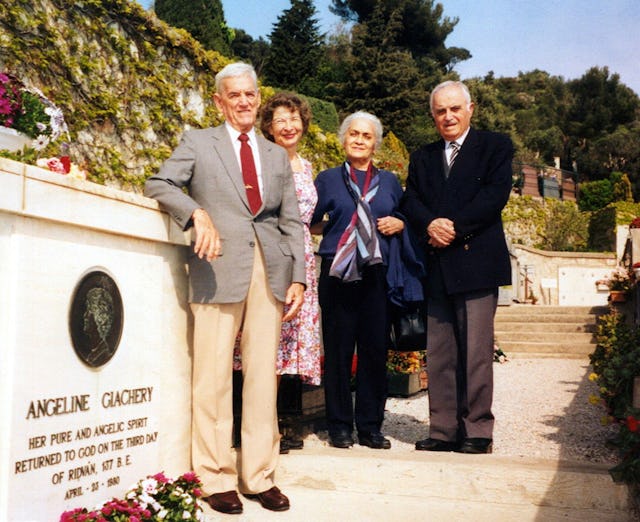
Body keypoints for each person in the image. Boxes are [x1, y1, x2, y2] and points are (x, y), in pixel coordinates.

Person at [144, 62, 306, 514]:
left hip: (269, 271)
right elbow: (158, 181)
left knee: (261, 377)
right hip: (215, 266)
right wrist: (196, 213)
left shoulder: (275, 155)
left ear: (258, 97)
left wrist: (297, 277)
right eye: (233, 95)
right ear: (219, 101)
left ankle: (258, 475)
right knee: (213, 375)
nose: (243, 102)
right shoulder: (199, 141)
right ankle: (215, 476)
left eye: (250, 94)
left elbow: (291, 220)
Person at [401, 80, 514, 454]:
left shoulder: (494, 146)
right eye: (440, 111)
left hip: (477, 262)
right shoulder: (423, 157)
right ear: (433, 115)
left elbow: (494, 196)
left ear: (470, 109)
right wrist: (429, 224)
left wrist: (451, 227)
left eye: (454, 109)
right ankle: (443, 430)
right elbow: (411, 200)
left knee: (477, 353)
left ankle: (478, 430)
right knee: (441, 353)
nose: (447, 116)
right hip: (437, 264)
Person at [311, 111, 406, 450]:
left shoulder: (391, 182)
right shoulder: (327, 179)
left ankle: (370, 426)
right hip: (337, 272)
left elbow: (404, 215)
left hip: (376, 274)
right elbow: (309, 220)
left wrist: (400, 223)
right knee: (337, 352)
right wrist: (339, 229)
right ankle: (338, 425)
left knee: (374, 352)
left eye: (366, 136)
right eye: (353, 134)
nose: (359, 140)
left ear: (375, 143)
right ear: (343, 138)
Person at [233, 92, 321, 452]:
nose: (289, 125)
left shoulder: (308, 165)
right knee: (262, 336)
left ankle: (287, 421)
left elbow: (309, 218)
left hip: (303, 258)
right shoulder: (261, 162)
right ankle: (254, 422)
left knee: (292, 339)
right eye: (280, 120)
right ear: (268, 127)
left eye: (294, 118)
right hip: (271, 252)